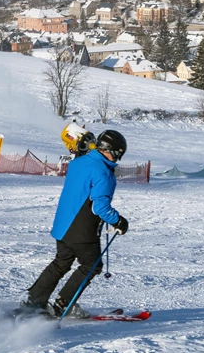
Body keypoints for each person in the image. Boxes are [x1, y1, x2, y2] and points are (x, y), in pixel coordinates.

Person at [21, 130, 129, 318]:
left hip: (63, 225)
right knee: (91, 266)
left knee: (61, 262)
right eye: (118, 153)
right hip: (82, 230)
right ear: (111, 150)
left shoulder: (79, 162)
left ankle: (35, 300)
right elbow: (100, 207)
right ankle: (65, 304)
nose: (118, 158)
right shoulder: (104, 173)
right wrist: (119, 221)